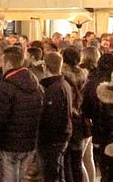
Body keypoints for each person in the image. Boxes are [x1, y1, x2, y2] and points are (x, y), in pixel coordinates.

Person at [0, 46, 44, 182]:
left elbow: (0, 118)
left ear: (8, 64)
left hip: (10, 144)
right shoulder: (35, 85)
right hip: (29, 142)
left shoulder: (6, 86)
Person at [39, 52, 74, 182]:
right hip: (62, 135)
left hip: (53, 138)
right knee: (58, 172)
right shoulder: (64, 84)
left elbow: (52, 117)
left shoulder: (54, 89)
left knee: (52, 173)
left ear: (45, 67)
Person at [61, 47, 91, 182]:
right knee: (77, 160)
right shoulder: (84, 76)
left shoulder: (63, 77)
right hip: (81, 119)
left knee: (66, 160)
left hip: (68, 119)